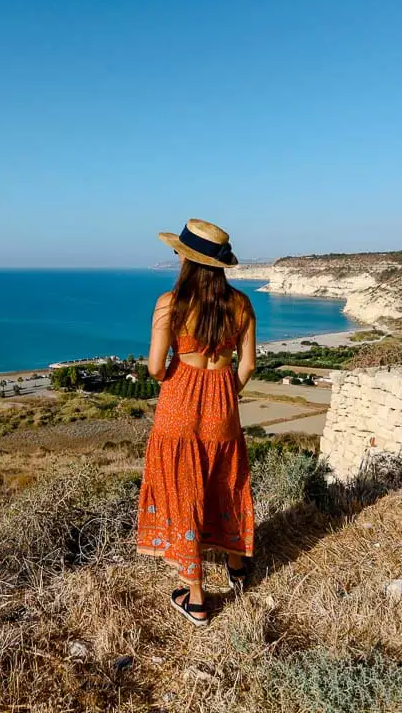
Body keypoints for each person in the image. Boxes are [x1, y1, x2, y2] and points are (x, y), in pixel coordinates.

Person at [137, 218, 257, 626]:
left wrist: (180, 377)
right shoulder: (241, 304)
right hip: (222, 405)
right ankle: (238, 566)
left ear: (185, 258)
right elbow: (249, 366)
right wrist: (225, 394)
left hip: (178, 404)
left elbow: (155, 368)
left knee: (182, 491)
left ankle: (197, 598)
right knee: (226, 481)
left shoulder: (170, 303)